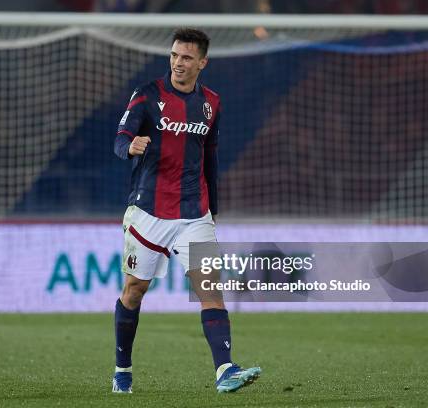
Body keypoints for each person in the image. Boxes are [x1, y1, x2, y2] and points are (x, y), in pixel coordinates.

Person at [112, 28, 261, 394]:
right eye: (175, 55)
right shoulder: (147, 95)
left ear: (202, 63)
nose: (179, 63)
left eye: (187, 58)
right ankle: (122, 370)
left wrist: (216, 208)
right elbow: (120, 139)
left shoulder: (211, 103)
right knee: (134, 291)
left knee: (211, 290)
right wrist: (131, 147)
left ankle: (224, 370)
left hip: (195, 213)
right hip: (149, 212)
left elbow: (210, 156)